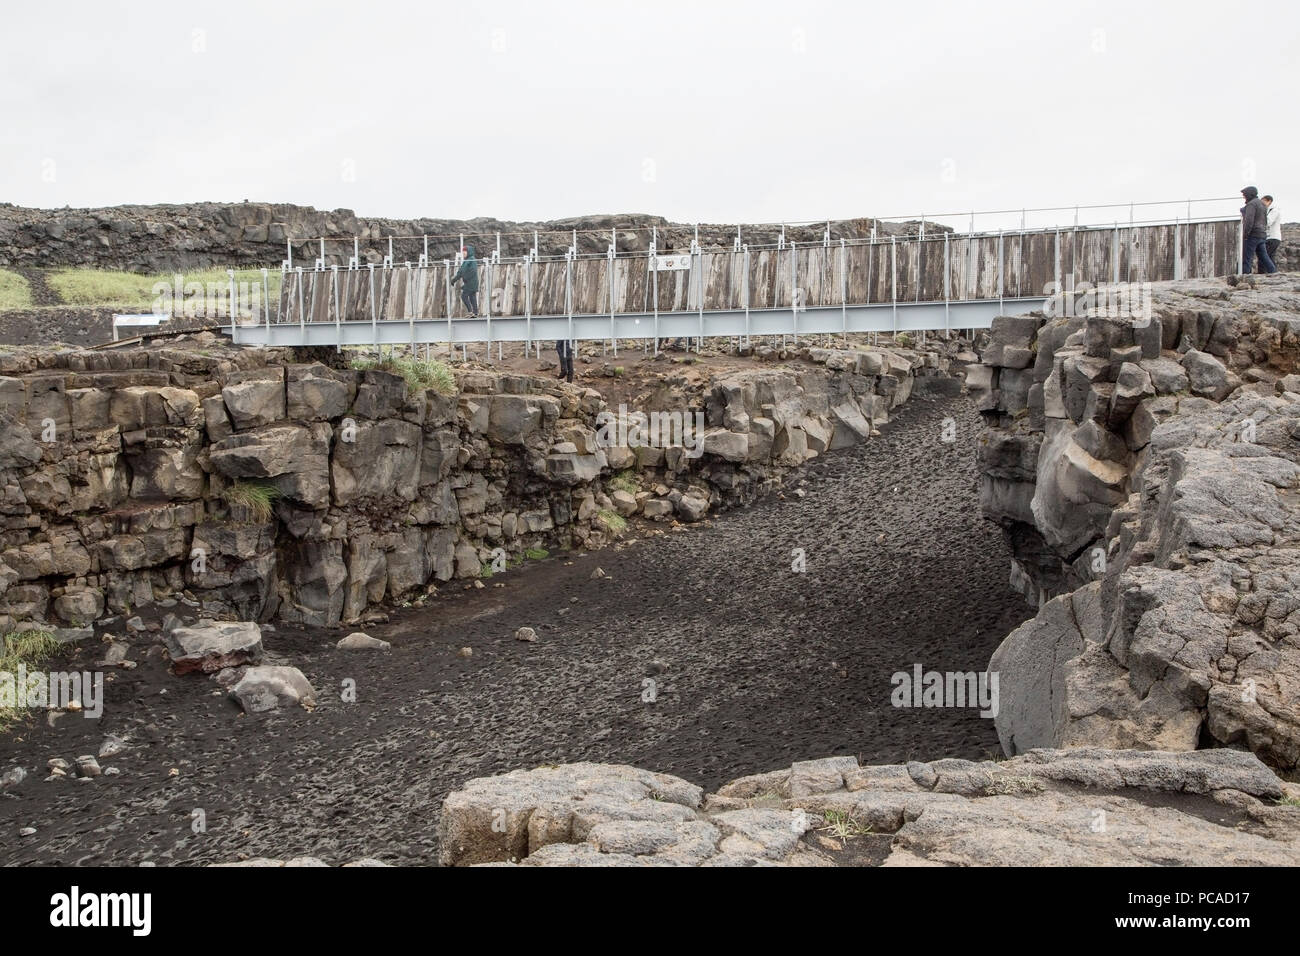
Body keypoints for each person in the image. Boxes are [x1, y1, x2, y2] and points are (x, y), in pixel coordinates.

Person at [1240, 187, 1277, 274]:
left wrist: (1245, 234)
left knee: (1247, 257)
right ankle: (1274, 272)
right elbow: (1265, 220)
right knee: (1264, 256)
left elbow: (1249, 220)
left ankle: (1246, 276)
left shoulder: (1251, 204)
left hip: (1252, 234)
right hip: (1261, 234)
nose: (1244, 197)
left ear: (1249, 194)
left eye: (1244, 195)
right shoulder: (1262, 204)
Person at [451, 245, 480, 316]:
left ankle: (471, 311)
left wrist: (454, 280)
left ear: (469, 252)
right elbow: (464, 270)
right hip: (473, 282)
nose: (463, 253)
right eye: (463, 252)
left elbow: (462, 271)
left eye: (465, 252)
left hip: (470, 282)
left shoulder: (469, 260)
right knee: (472, 297)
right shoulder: (470, 260)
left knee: (464, 296)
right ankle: (475, 313)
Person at [1263, 195, 1282, 264]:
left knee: (1266, 256)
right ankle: (1272, 272)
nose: (1262, 203)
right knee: (1270, 256)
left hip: (1272, 237)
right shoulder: (1268, 210)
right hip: (1269, 237)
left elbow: (1268, 222)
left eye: (1264, 201)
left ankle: (1270, 272)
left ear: (1269, 201)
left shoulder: (1274, 210)